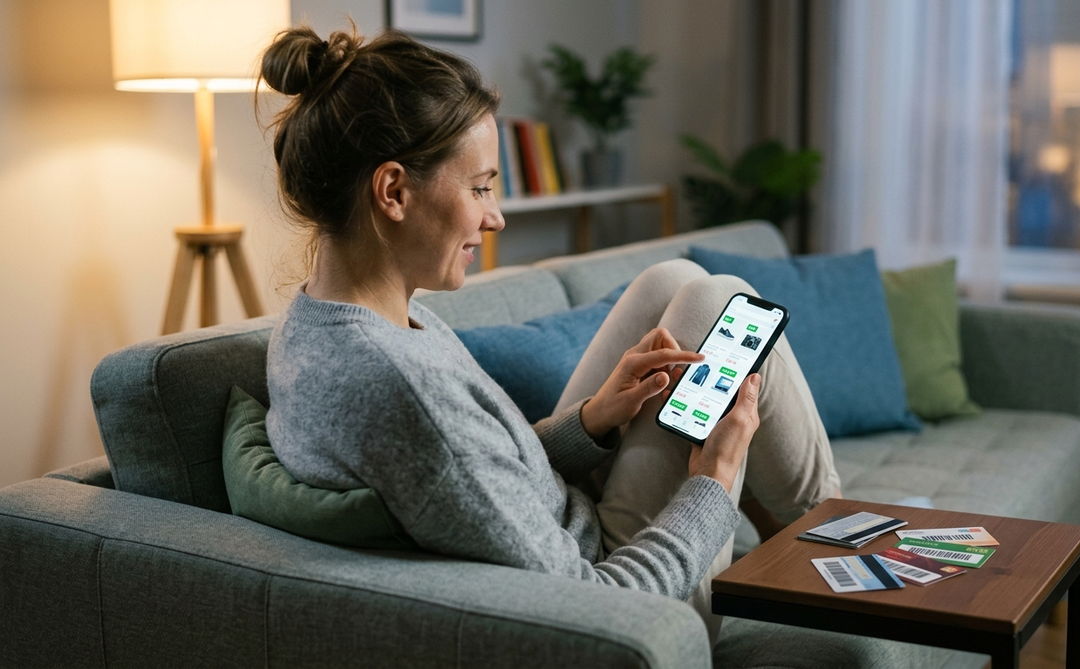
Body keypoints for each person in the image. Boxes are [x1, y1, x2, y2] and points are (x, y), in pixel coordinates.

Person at [261, 26, 839, 642]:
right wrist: (714, 483)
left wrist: (593, 420)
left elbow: (478, 472)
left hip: (570, 523)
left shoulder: (327, 319)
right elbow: (591, 603)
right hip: (627, 595)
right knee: (722, 300)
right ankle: (839, 535)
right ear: (394, 191)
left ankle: (826, 529)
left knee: (674, 280)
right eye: (480, 187)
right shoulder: (397, 387)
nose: (495, 216)